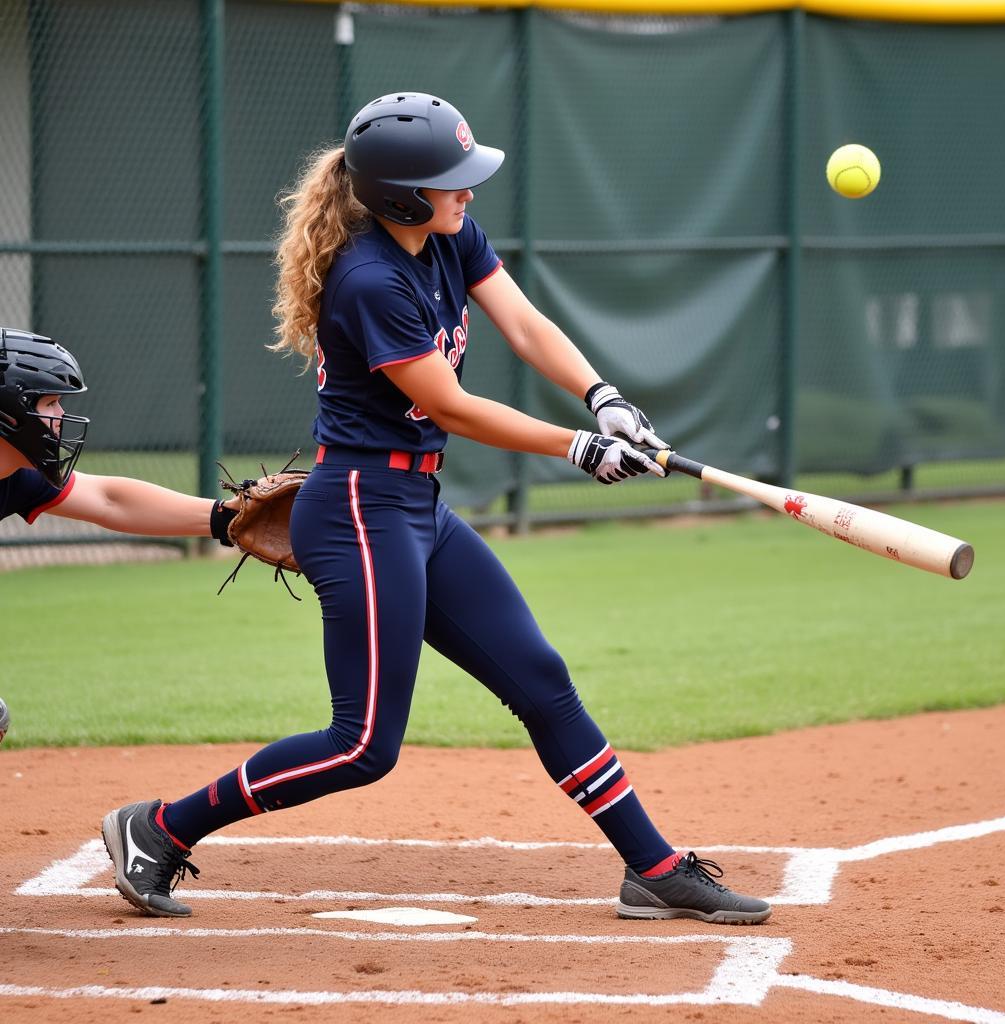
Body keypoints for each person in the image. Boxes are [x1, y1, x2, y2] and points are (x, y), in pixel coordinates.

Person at [101, 93, 771, 925]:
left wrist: (603, 398)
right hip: (357, 510)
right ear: (401, 196)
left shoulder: (449, 237)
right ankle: (160, 828)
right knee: (361, 746)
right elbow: (448, 405)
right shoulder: (369, 278)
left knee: (541, 679)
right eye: (451, 181)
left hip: (414, 503)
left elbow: (524, 325)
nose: (469, 192)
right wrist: (575, 446)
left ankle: (655, 867)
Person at [0, 326, 238, 547]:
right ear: (7, 413)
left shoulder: (18, 478)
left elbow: (109, 501)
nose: (61, 415)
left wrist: (229, 516)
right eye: (50, 403)